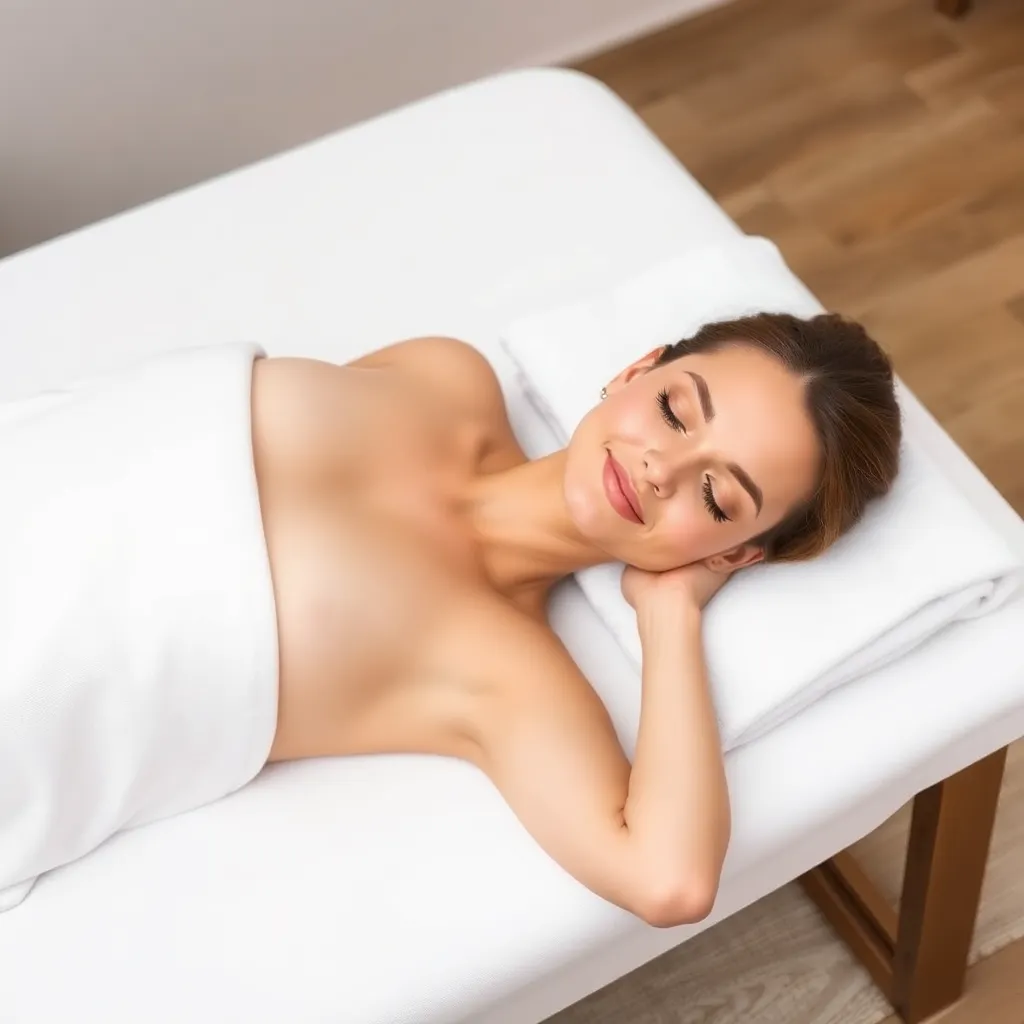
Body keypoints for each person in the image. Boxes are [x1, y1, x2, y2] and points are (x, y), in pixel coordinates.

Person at [252, 310, 901, 929]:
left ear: (731, 552)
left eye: (716, 495)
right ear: (636, 370)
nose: (661, 469)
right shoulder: (446, 373)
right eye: (674, 411)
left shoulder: (503, 675)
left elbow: (669, 882)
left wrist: (670, 615)